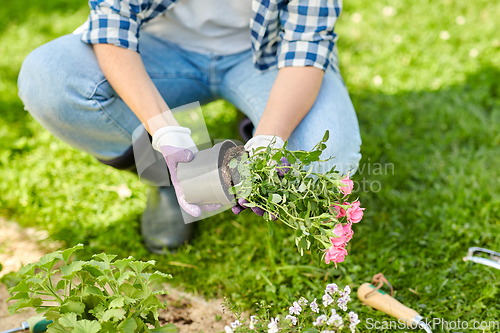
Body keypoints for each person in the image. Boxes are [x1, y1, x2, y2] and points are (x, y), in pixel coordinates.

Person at [17, 0, 362, 253]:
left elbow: (306, 45)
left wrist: (270, 139)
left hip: (268, 53)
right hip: (161, 45)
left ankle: (247, 139)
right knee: (49, 79)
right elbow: (112, 21)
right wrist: (166, 132)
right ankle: (172, 180)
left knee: (329, 155)